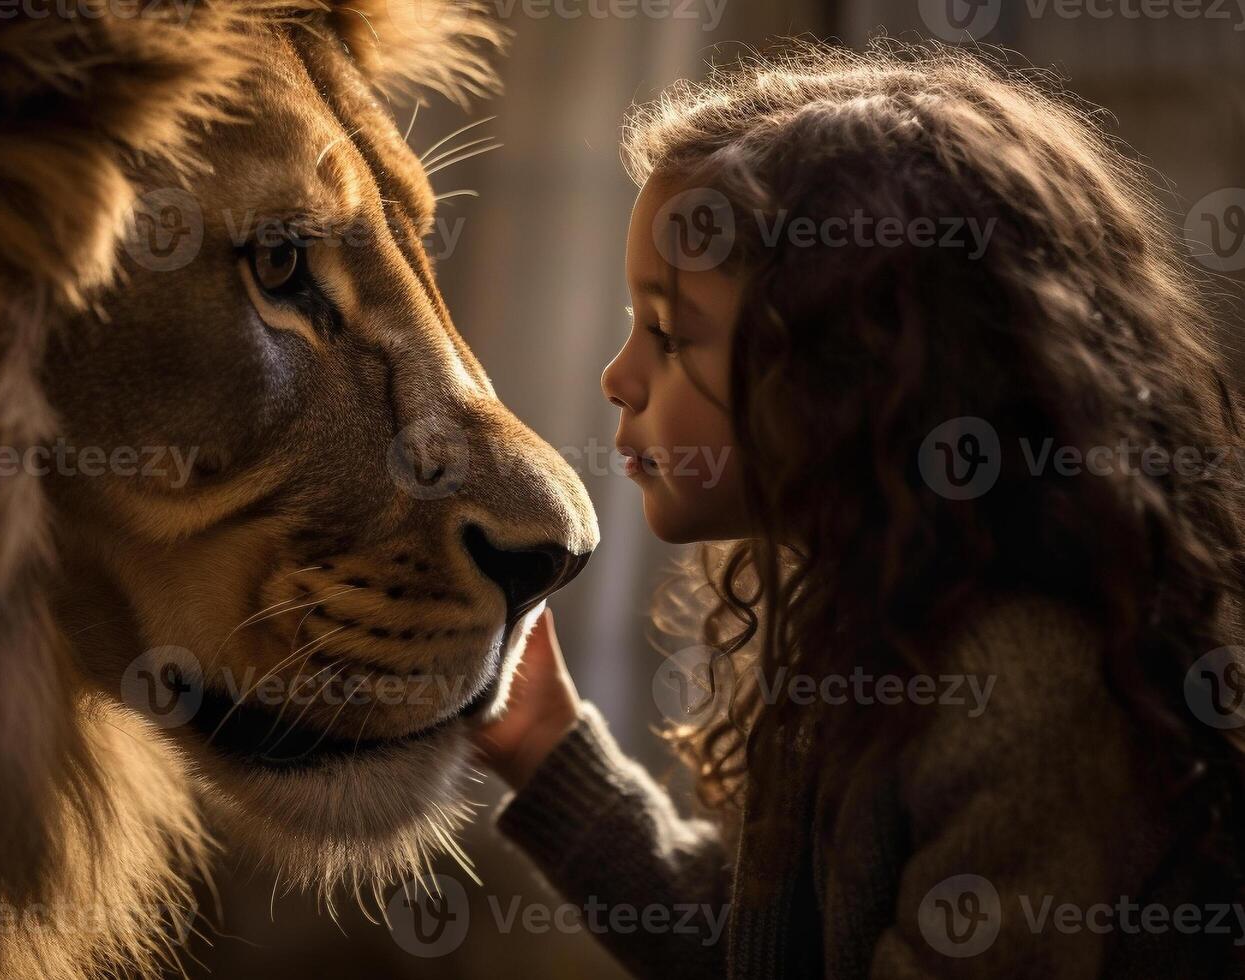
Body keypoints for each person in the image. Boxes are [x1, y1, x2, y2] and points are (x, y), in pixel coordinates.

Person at [471, 40, 1245, 979]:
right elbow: (756, 954)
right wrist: (544, 741)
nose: (617, 377)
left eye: (670, 334)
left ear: (851, 379)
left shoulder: (1022, 694)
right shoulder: (863, 627)